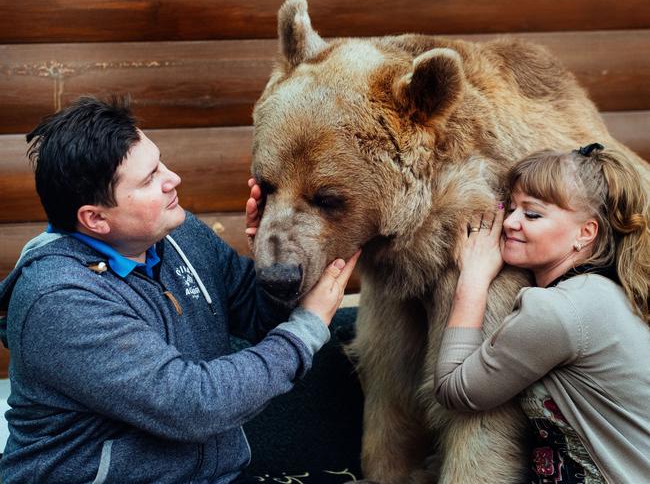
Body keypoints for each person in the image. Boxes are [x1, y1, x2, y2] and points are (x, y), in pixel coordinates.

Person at [0, 96, 360, 484]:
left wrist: (275, 264)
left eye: (160, 162)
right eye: (149, 178)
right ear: (95, 219)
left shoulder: (180, 235)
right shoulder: (59, 300)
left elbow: (257, 315)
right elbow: (192, 404)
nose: (173, 179)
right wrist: (307, 327)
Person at [435, 144, 650, 483]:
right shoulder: (603, 292)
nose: (510, 223)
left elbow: (455, 391)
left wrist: (473, 277)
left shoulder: (559, 311)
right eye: (511, 207)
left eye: (532, 214)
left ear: (585, 233)